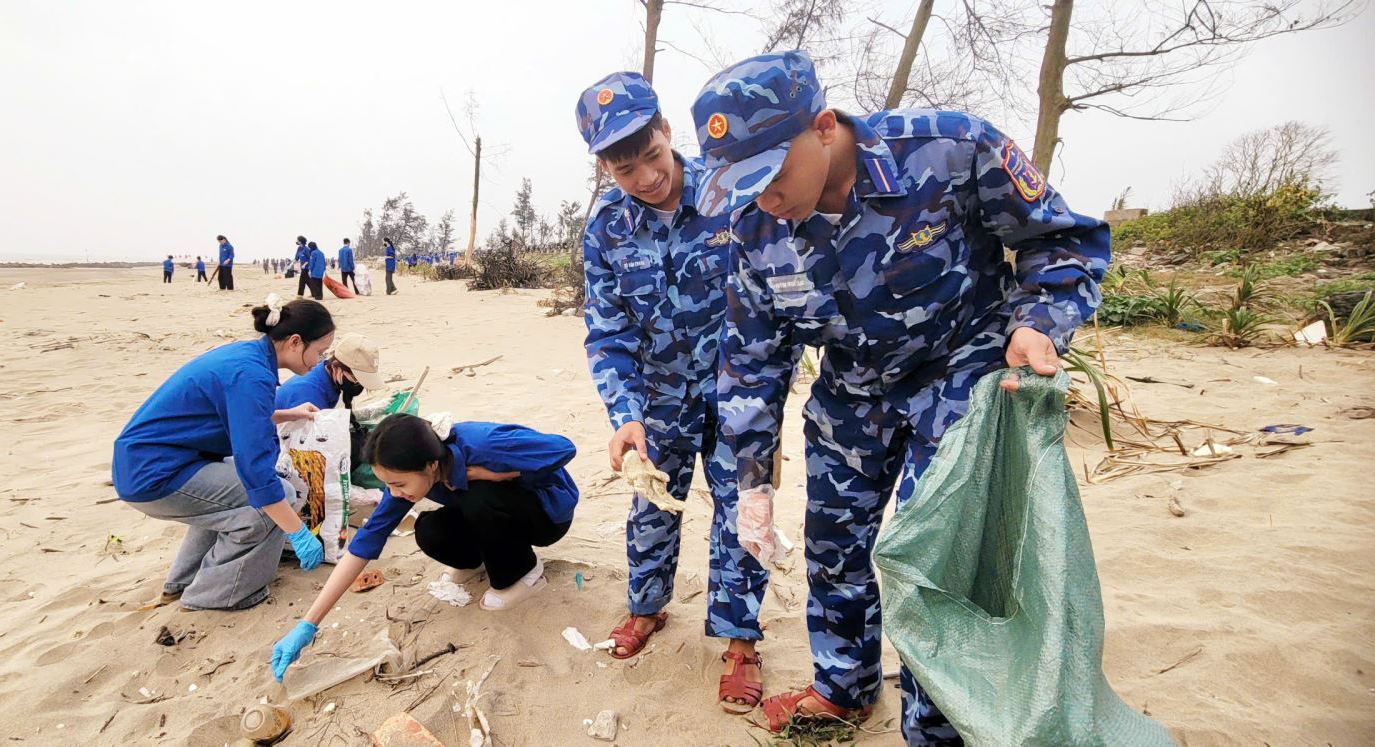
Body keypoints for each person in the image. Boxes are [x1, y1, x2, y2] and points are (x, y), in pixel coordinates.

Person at [690, 51, 1110, 741]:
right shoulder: (756, 228)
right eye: (743, 186)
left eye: (770, 175)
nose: (764, 198)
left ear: (823, 127)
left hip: (960, 368)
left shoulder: (948, 148)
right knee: (832, 545)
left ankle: (935, 727)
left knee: (929, 560)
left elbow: (1063, 243)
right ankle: (845, 686)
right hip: (852, 389)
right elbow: (752, 362)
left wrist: (1038, 323)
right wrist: (752, 481)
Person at [574, 71, 768, 713]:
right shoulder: (606, 227)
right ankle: (647, 608)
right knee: (652, 501)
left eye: (652, 156)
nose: (647, 177)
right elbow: (606, 331)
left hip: (742, 387)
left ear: (665, 131)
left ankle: (740, 640)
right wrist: (624, 415)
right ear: (605, 167)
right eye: (626, 169)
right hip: (658, 397)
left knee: (744, 508)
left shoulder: (730, 190)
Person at [269, 414, 578, 680]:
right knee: (429, 530)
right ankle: (487, 557)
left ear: (431, 465)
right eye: (387, 485)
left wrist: (497, 474)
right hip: (491, 514)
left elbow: (564, 447)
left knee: (478, 495)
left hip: (546, 516)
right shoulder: (408, 474)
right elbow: (367, 541)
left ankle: (524, 571)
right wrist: (308, 624)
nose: (394, 493)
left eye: (399, 484)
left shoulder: (481, 444)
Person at [111, 295, 341, 611]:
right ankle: (217, 594)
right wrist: (298, 532)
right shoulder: (252, 374)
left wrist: (287, 414)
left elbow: (238, 415)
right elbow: (256, 470)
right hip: (154, 473)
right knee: (277, 497)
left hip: (149, 461)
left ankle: (183, 581)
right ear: (295, 342)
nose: (319, 361)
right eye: (319, 352)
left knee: (231, 500)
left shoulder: (248, 357)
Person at [275, 332, 384, 411]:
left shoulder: (327, 374)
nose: (359, 384)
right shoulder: (309, 396)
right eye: (357, 378)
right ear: (337, 368)